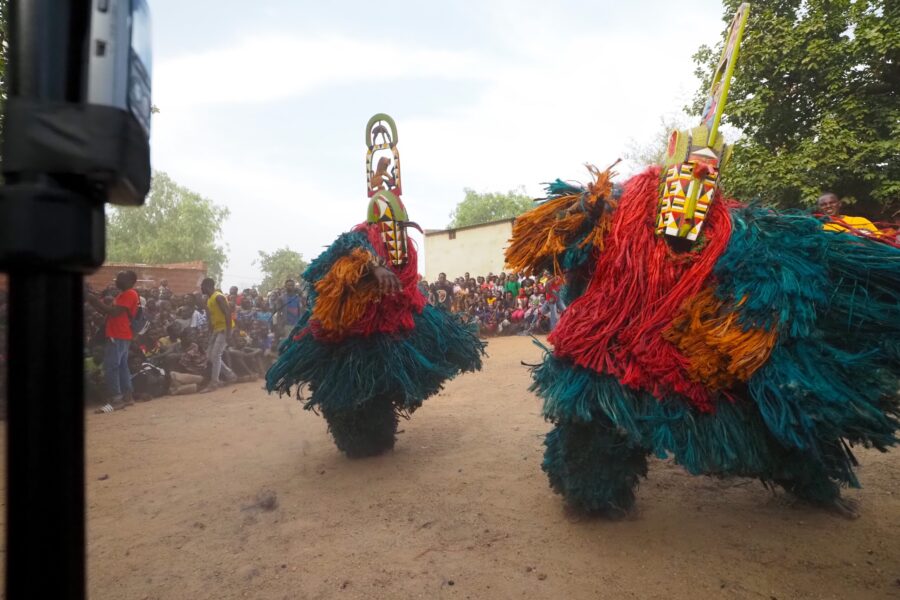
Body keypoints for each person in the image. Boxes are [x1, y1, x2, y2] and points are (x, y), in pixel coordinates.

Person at [504, 10, 900, 519]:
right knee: (598, 405)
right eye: (689, 177)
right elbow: (559, 247)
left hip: (687, 337)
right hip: (613, 336)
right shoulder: (621, 214)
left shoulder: (735, 233)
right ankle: (592, 488)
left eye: (707, 182)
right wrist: (586, 216)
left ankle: (808, 477)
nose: (694, 192)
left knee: (773, 386)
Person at [266, 114, 484, 458]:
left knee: (388, 378)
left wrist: (384, 179)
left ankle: (378, 426)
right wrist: (375, 266)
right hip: (353, 334)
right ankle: (358, 432)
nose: (389, 228)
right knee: (352, 386)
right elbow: (349, 250)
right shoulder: (362, 238)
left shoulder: (405, 248)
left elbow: (404, 278)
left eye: (395, 223)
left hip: (393, 325)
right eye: (383, 222)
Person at [85, 270, 140, 412]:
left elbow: (115, 312)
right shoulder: (123, 294)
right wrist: (93, 301)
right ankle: (128, 397)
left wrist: (94, 300)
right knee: (121, 366)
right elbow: (109, 311)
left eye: (120, 278)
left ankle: (116, 399)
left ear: (130, 281)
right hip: (120, 334)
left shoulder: (129, 294)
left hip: (118, 334)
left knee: (111, 366)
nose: (117, 280)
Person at [199, 277, 236, 392]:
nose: (201, 288)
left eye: (202, 286)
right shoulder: (209, 299)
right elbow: (211, 318)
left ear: (207, 286)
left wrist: (229, 333)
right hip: (217, 329)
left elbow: (227, 313)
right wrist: (210, 333)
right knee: (210, 355)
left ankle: (214, 382)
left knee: (216, 355)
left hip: (225, 329)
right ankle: (230, 375)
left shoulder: (218, 297)